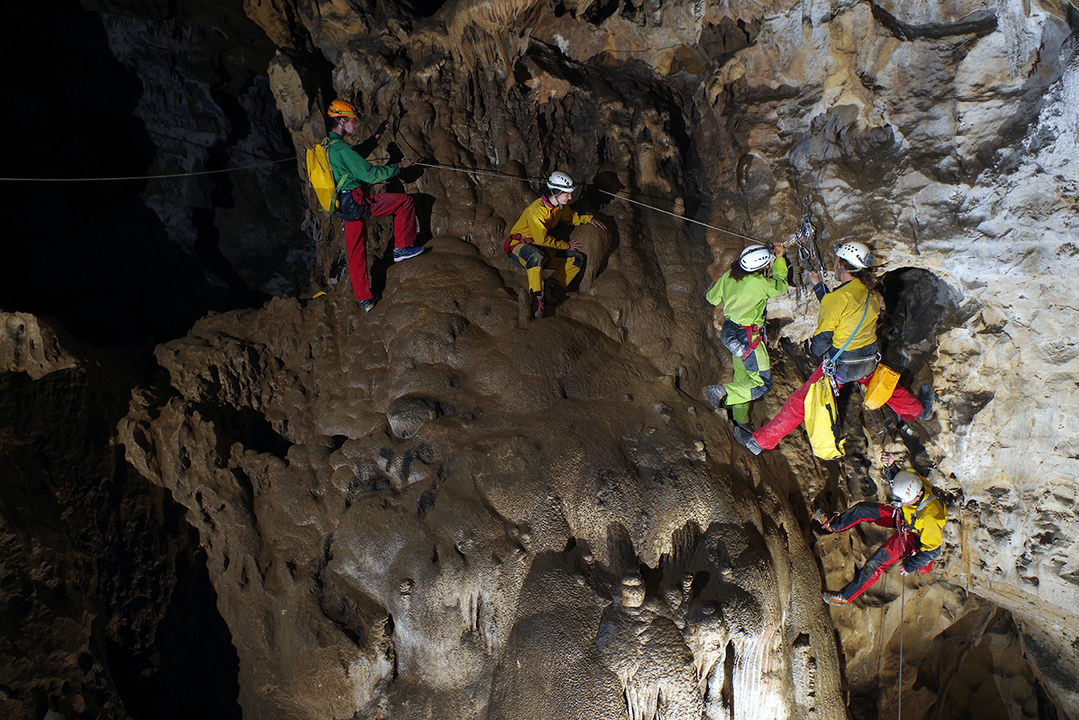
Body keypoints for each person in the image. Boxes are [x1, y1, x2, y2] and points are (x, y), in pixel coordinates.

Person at [733, 241, 932, 454]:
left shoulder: (838, 298)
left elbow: (819, 346)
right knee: (888, 389)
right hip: (867, 362)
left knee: (798, 402)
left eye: (836, 262)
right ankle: (919, 411)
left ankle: (759, 442)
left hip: (841, 368)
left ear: (842, 267)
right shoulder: (868, 294)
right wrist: (819, 286)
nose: (835, 265)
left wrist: (816, 346)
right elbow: (842, 307)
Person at [325, 100, 424, 312]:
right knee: (404, 202)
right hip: (357, 200)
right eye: (352, 120)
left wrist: (377, 137)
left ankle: (365, 299)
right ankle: (402, 248)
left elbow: (356, 154)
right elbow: (371, 175)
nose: (355, 124)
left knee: (355, 252)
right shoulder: (341, 148)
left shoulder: (329, 145)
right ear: (341, 121)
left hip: (343, 205)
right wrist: (400, 166)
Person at [817, 451, 947, 605]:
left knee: (875, 563)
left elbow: (933, 551)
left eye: (903, 501)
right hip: (904, 517)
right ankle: (833, 525)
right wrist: (891, 466)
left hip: (913, 537)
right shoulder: (913, 479)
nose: (899, 502)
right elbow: (900, 478)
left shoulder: (930, 518)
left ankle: (844, 597)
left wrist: (909, 566)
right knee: (862, 510)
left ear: (917, 496)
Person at [702, 242, 790, 427]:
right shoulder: (759, 283)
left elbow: (712, 298)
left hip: (731, 334)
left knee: (743, 380)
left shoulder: (729, 275)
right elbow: (781, 286)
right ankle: (721, 392)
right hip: (749, 338)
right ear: (761, 267)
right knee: (762, 383)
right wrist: (780, 258)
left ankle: (741, 420)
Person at [504, 171, 607, 318]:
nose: (570, 197)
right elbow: (541, 240)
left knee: (576, 259)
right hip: (518, 248)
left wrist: (588, 219)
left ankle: (550, 286)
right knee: (536, 256)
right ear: (556, 192)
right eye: (567, 194)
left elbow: (571, 218)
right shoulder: (537, 211)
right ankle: (536, 299)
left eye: (570, 193)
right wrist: (566, 245)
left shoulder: (559, 207)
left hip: (539, 248)